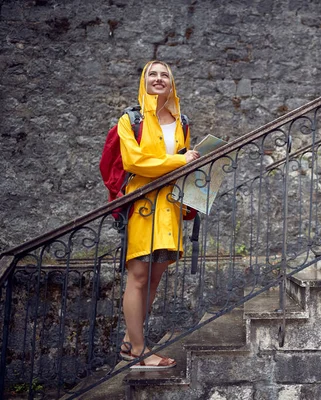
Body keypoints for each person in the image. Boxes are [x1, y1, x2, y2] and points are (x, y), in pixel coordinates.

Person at [117, 60, 199, 370]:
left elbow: (185, 162)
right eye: (153, 74)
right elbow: (134, 161)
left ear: (172, 82)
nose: (159, 78)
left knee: (153, 278)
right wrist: (179, 161)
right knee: (138, 277)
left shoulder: (182, 122)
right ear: (144, 80)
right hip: (143, 205)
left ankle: (130, 341)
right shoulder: (131, 119)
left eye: (165, 74)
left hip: (170, 207)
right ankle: (138, 350)